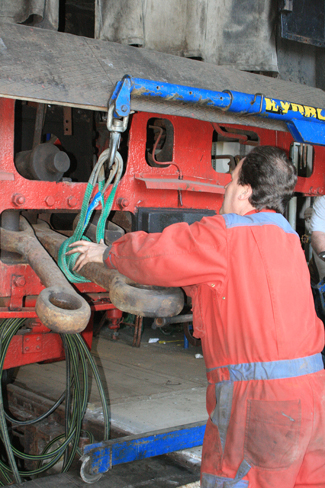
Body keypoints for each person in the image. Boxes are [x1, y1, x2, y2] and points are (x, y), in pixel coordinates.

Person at [67, 146, 325, 488]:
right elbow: (233, 286)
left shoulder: (227, 234)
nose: (226, 188)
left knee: (236, 478)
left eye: (232, 181)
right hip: (312, 394)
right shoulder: (288, 239)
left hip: (260, 402)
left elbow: (160, 254)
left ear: (246, 192)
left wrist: (107, 252)